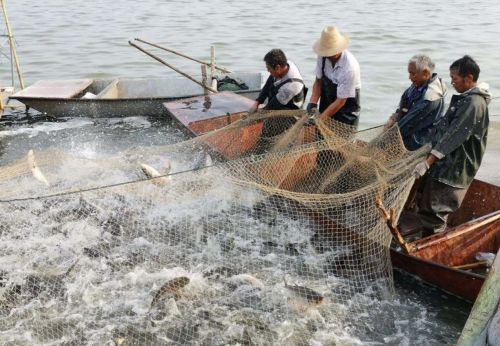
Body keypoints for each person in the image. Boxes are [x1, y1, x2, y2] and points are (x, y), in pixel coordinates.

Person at [412, 55, 491, 236]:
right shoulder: (467, 98)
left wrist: (427, 162)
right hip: (446, 164)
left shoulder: (473, 102)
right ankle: (427, 239)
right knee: (427, 207)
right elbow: (444, 128)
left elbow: (454, 135)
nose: (452, 83)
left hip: (455, 169)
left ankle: (431, 248)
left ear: (469, 78)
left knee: (435, 213)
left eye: (454, 79)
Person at [384, 54, 447, 151]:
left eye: (412, 74)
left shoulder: (430, 97)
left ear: (425, 73)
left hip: (418, 141)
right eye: (409, 73)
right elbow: (403, 105)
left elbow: (407, 124)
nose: (409, 77)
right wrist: (394, 118)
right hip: (408, 133)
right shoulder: (417, 85)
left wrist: (381, 142)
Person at [307, 26, 361, 127]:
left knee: (342, 139)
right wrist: (313, 103)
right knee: (318, 134)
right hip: (327, 100)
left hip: (346, 108)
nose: (330, 55)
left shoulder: (350, 68)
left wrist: (319, 120)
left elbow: (341, 101)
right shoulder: (322, 56)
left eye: (332, 51)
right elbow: (318, 81)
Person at [248, 49, 307, 138]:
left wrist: (256, 116)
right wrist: (257, 102)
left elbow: (272, 106)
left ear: (278, 68)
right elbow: (269, 83)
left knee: (271, 136)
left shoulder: (291, 86)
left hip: (290, 115)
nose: (268, 71)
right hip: (279, 104)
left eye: (269, 69)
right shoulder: (287, 64)